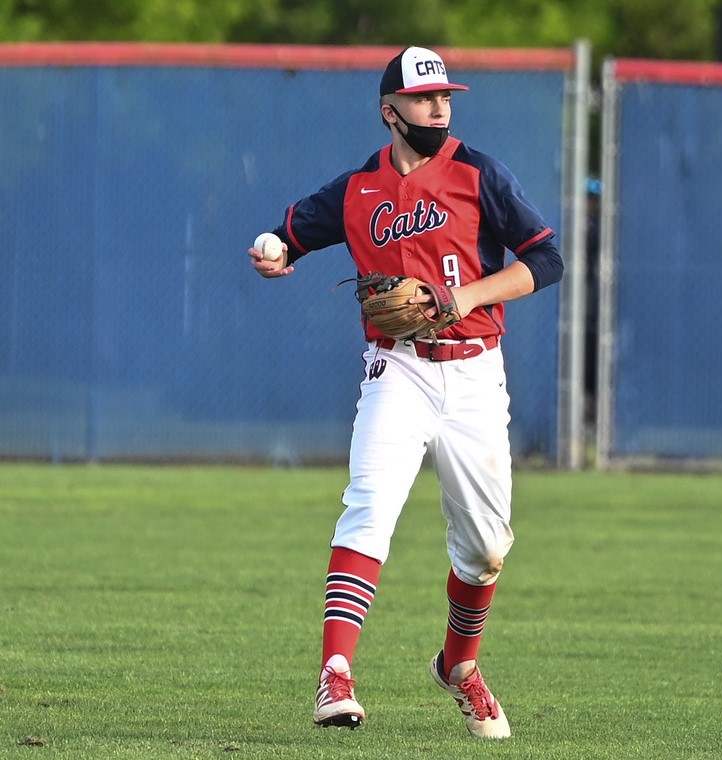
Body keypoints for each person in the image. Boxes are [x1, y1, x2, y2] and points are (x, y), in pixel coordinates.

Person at [248, 45, 563, 740]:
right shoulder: (360, 188)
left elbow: (547, 258)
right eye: (425, 99)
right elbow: (294, 230)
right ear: (391, 112)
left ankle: (459, 664)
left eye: (446, 96)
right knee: (368, 509)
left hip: (477, 371)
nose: (440, 107)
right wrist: (274, 247)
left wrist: (465, 296)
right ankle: (335, 674)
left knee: (485, 548)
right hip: (398, 369)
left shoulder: (479, 174)